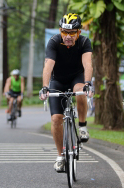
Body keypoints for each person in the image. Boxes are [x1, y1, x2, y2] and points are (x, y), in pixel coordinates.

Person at [39, 13, 93, 172]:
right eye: (64, 32)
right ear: (60, 31)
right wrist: (45, 86)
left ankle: (82, 126)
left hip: (77, 77)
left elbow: (87, 64)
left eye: (71, 32)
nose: (67, 36)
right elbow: (48, 65)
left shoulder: (84, 42)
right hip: (58, 80)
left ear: (79, 32)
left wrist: (88, 83)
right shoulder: (54, 42)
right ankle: (60, 156)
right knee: (56, 118)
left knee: (81, 91)